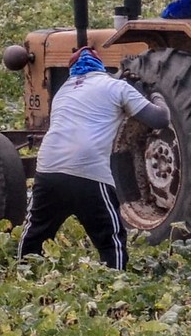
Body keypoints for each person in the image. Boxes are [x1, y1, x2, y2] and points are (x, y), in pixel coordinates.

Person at [20, 48, 171, 270]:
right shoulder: (115, 87)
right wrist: (156, 94)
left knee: (36, 232)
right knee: (111, 240)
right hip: (88, 172)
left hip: (48, 169)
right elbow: (159, 119)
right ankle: (115, 281)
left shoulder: (63, 91)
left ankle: (24, 274)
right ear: (101, 68)